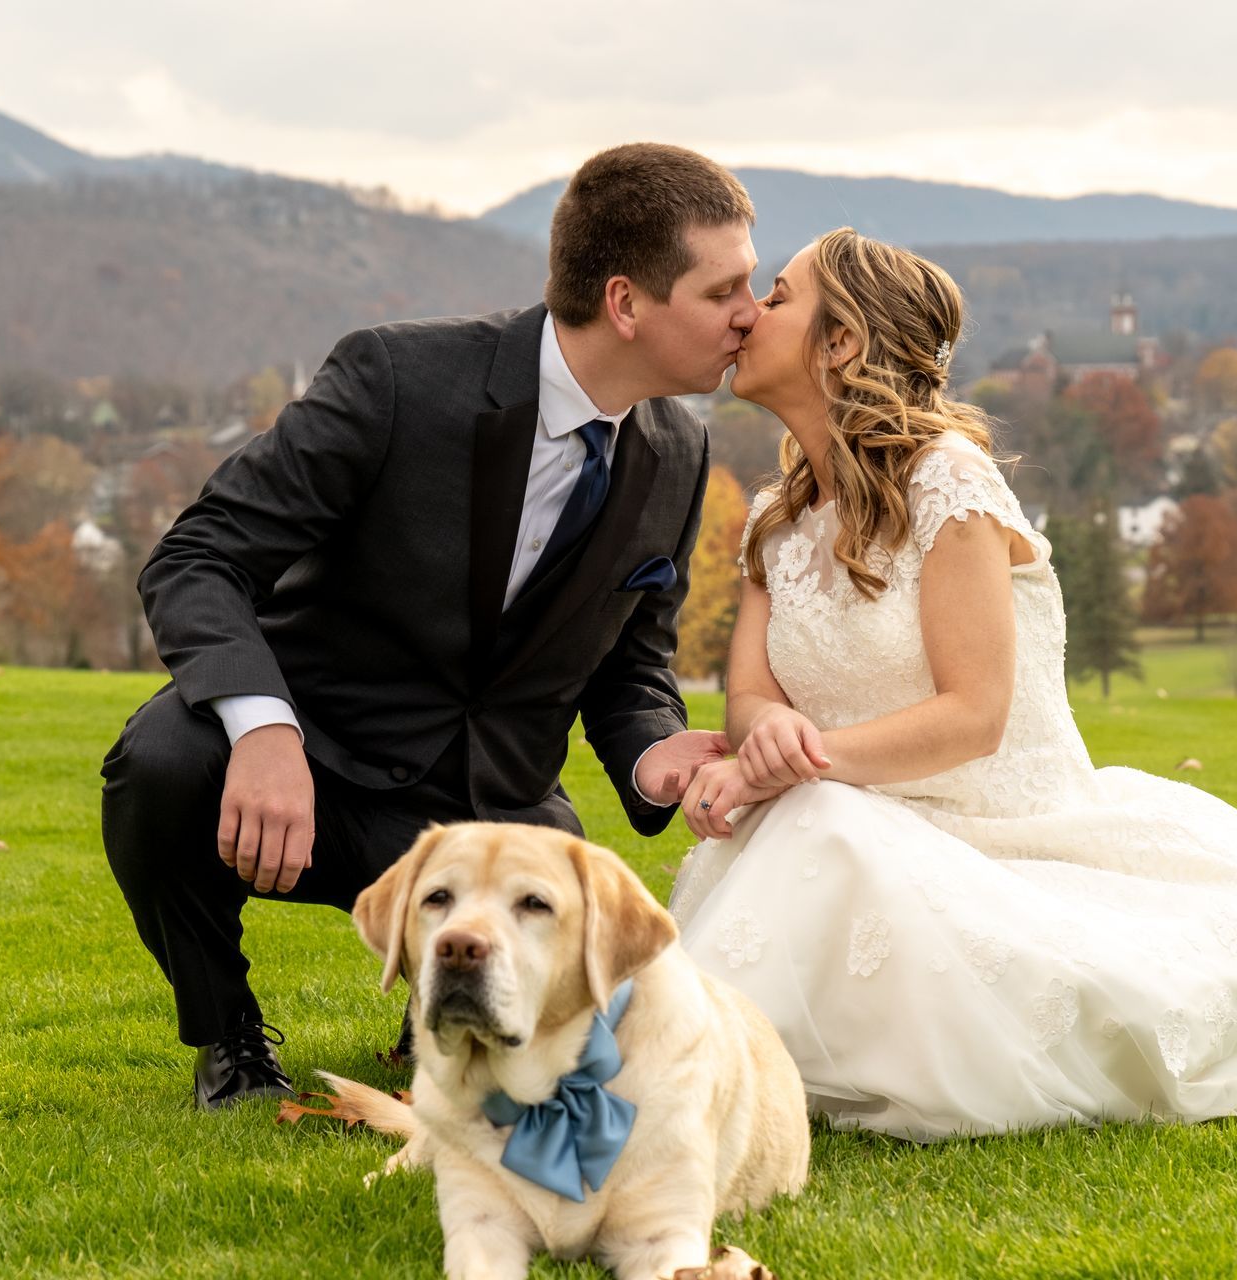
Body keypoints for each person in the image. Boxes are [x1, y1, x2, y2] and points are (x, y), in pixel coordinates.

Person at [101, 143, 759, 1109]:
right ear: (627, 304)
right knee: (160, 764)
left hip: (494, 806)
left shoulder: (679, 450)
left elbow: (631, 666)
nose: (752, 312)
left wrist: (656, 749)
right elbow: (197, 556)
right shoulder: (399, 380)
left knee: (549, 1064)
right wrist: (266, 731)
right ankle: (230, 1036)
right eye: (726, 289)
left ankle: (443, 1022)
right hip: (315, 760)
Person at [668, 228, 1237, 1141]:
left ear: (841, 341)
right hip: (852, 815)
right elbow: (747, 693)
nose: (751, 314)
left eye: (778, 296)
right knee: (820, 821)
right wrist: (765, 731)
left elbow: (975, 716)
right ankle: (685, 1068)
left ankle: (680, 1078)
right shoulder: (778, 515)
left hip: (1000, 835)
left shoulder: (949, 485)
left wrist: (792, 764)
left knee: (820, 817)